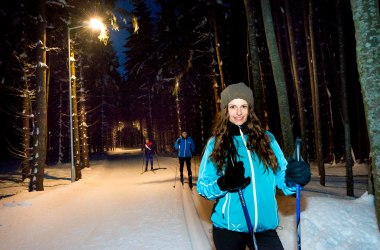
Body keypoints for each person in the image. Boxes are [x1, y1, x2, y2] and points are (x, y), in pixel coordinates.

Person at [197, 82, 311, 250]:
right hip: (228, 229)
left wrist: (295, 179)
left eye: (243, 106)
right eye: (232, 106)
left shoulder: (267, 139)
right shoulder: (216, 143)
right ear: (225, 110)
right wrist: (224, 183)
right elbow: (203, 187)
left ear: (250, 109)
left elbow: (281, 176)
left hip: (264, 228)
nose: (238, 112)